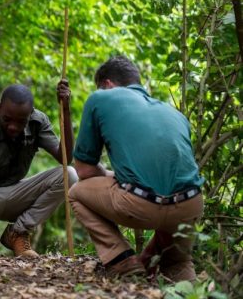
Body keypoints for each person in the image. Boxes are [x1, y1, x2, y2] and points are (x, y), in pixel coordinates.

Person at [69, 56, 204, 280]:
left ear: (107, 84)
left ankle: (122, 260)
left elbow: (83, 171)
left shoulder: (101, 98)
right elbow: (166, 187)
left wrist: (108, 174)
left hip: (141, 206)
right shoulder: (175, 114)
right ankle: (191, 287)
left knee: (76, 192)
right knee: (178, 264)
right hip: (190, 205)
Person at [0, 82, 77, 258]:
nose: (13, 126)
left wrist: (65, 110)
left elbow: (65, 157)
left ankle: (17, 233)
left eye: (21, 121)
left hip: (19, 193)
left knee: (70, 175)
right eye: (7, 119)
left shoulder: (38, 122)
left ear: (30, 114)